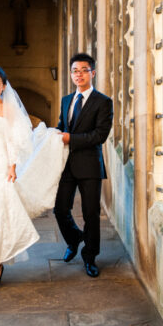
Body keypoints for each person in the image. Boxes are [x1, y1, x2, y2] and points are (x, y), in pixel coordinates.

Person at [0, 66, 67, 288]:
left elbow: (13, 140)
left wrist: (12, 166)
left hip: (0, 165)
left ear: (4, 87)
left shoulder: (8, 109)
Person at [54, 53, 113, 278]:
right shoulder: (66, 100)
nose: (79, 74)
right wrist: (53, 135)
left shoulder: (103, 102)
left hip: (90, 166)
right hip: (67, 165)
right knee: (60, 209)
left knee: (90, 214)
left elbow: (100, 135)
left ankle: (90, 257)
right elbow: (62, 126)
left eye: (83, 70)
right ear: (71, 74)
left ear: (92, 73)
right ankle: (74, 239)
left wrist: (70, 139)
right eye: (75, 71)